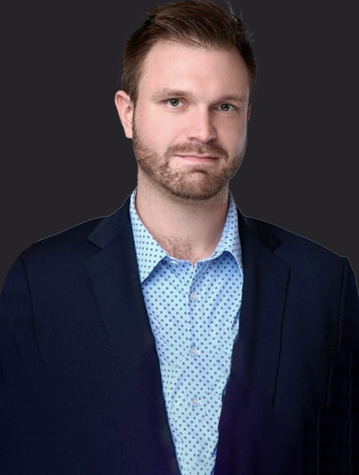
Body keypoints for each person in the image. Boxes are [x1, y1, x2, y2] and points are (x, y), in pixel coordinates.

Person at [1, 0, 358, 474]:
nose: (203, 132)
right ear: (127, 114)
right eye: (176, 102)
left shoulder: (323, 283)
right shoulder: (42, 282)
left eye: (224, 107)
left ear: (247, 117)